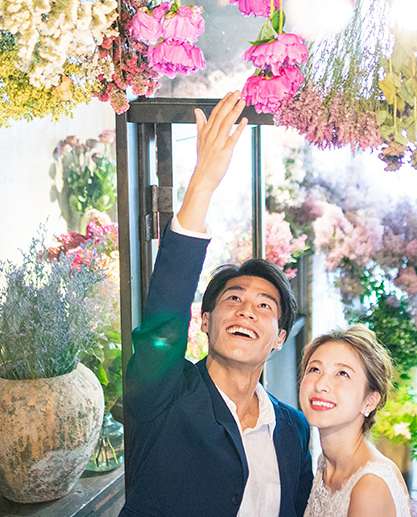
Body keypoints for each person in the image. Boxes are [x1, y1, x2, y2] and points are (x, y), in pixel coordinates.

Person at [121, 91, 314, 517]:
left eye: (265, 306)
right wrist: (202, 184)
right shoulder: (164, 394)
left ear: (280, 338)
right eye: (234, 298)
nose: (247, 310)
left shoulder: (294, 430)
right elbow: (163, 319)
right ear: (205, 321)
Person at [300, 325, 411, 517]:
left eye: (342, 373)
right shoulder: (327, 463)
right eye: (315, 369)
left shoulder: (370, 485)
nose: (320, 385)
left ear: (370, 401)